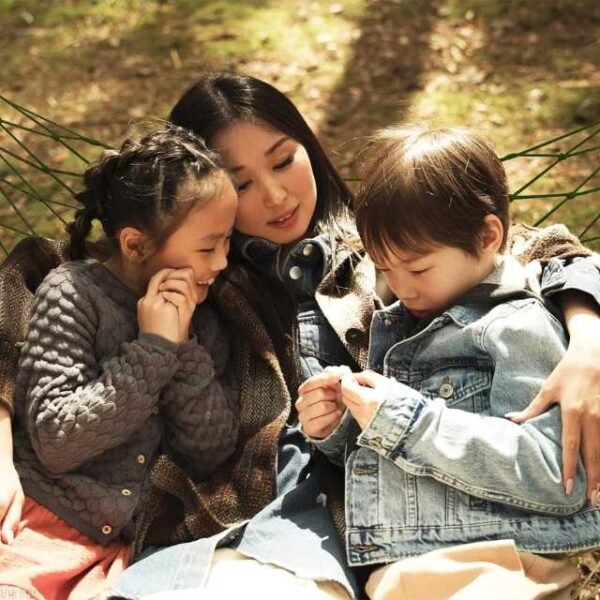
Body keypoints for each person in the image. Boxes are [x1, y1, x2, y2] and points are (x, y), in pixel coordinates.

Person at [0, 73, 599, 599]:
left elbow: (536, 246)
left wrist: (589, 333)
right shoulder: (191, 274)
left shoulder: (383, 244)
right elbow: (39, 276)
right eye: (239, 183)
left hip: (390, 513)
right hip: (243, 516)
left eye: (284, 160)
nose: (278, 196)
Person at [298, 124, 600, 599]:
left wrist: (406, 422)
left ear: (487, 237)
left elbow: (555, 475)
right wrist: (338, 428)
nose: (402, 287)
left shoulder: (517, 324)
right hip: (401, 570)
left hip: (502, 563)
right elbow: (402, 463)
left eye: (417, 268)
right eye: (386, 270)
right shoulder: (403, 323)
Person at [0, 124, 239, 600]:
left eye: (228, 242)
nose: (221, 263)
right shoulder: (73, 294)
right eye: (207, 247)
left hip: (124, 554)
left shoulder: (203, 321)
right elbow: (56, 440)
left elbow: (210, 451)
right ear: (134, 245)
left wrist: (182, 345)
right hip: (38, 528)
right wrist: (152, 349)